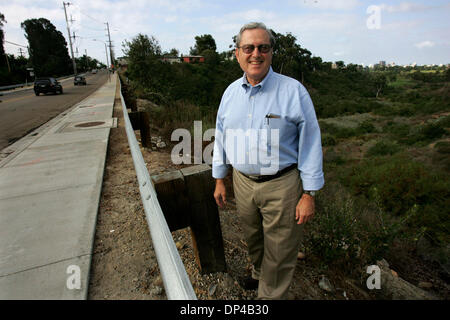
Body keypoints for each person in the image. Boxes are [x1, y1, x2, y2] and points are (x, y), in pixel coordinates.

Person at [212, 22, 324, 300]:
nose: (256, 54)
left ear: (271, 53)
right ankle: (259, 274)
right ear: (237, 53)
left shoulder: (293, 91)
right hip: (242, 182)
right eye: (248, 47)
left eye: (263, 47)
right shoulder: (230, 94)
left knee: (280, 249)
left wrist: (309, 193)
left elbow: (310, 142)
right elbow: (222, 137)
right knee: (254, 238)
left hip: (282, 185)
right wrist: (219, 179)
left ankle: (269, 296)